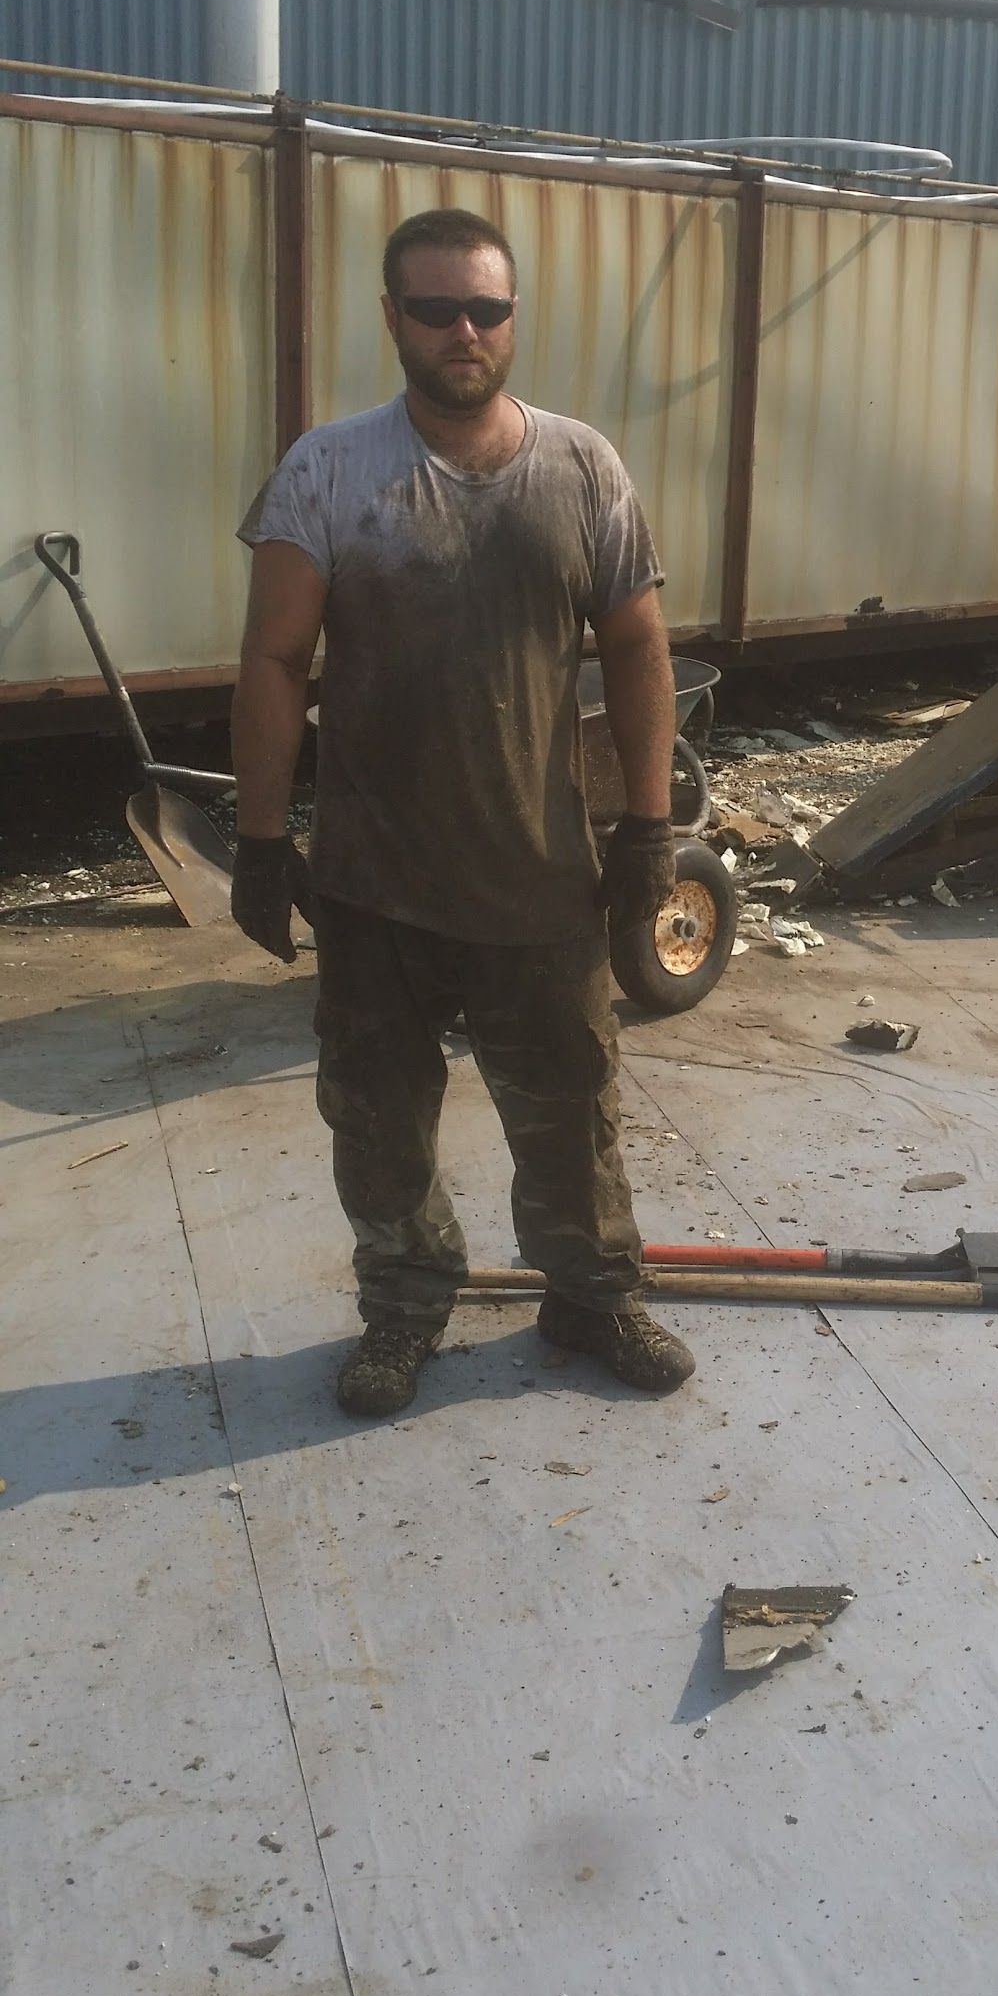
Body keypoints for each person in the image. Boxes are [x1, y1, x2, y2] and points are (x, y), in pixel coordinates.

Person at [229, 205, 695, 1416]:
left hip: (541, 880)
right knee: (378, 1119)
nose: (464, 331)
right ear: (394, 318)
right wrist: (261, 841)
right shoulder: (328, 471)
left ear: (512, 316)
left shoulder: (581, 466)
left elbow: (638, 647)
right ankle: (403, 1305)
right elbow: (273, 660)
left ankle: (591, 1295)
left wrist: (649, 826)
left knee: (573, 1111)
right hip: (373, 886)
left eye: (486, 308)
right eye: (436, 309)